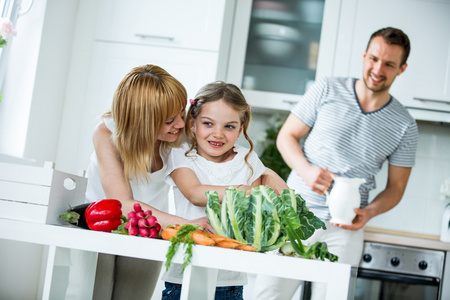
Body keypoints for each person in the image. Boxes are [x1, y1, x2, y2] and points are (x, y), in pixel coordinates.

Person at [253, 27, 419, 299]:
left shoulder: (404, 125)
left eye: (389, 64)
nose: (378, 69)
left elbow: (396, 188)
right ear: (365, 56)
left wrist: (371, 212)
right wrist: (306, 172)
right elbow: (287, 137)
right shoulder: (327, 88)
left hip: (345, 229)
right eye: (374, 59)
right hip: (296, 214)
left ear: (402, 68)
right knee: (268, 295)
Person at [84, 64, 208, 300]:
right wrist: (186, 225)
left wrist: (266, 174)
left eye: (182, 114)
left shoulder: (174, 135)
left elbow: (228, 153)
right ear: (143, 120)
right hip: (99, 229)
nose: (181, 124)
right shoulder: (106, 133)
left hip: (148, 231)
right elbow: (123, 204)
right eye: (170, 120)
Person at [161, 81, 268, 300]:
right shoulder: (181, 154)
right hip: (184, 272)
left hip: (230, 279)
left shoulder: (248, 159)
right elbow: (194, 193)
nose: (217, 134)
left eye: (229, 126)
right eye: (208, 123)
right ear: (192, 124)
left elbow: (254, 212)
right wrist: (240, 190)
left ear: (241, 129)